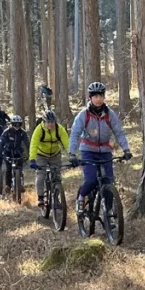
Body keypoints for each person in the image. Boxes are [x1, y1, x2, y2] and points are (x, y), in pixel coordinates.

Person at [68, 82, 132, 212]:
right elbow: (74, 134)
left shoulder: (110, 114)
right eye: (95, 96)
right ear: (90, 98)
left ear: (104, 97)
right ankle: (81, 197)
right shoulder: (83, 115)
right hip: (88, 151)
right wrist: (72, 153)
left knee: (108, 182)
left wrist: (126, 149)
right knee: (91, 180)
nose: (98, 99)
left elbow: (119, 132)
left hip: (105, 151)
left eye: (100, 96)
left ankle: (108, 213)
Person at [29, 110, 69, 208]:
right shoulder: (39, 130)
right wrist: (32, 159)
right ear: (44, 122)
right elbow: (34, 144)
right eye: (48, 122)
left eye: (53, 122)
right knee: (41, 175)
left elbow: (67, 144)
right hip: (41, 155)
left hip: (55, 154)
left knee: (57, 177)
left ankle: (56, 198)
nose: (51, 124)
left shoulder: (60, 129)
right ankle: (41, 197)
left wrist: (72, 155)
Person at [0, 114, 30, 193]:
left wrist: (30, 153)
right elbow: (1, 143)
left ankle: (21, 184)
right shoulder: (6, 132)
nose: (17, 125)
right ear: (12, 124)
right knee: (8, 169)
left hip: (18, 152)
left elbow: (28, 144)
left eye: (19, 124)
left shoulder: (23, 132)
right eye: (15, 124)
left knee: (20, 169)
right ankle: (8, 185)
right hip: (8, 152)